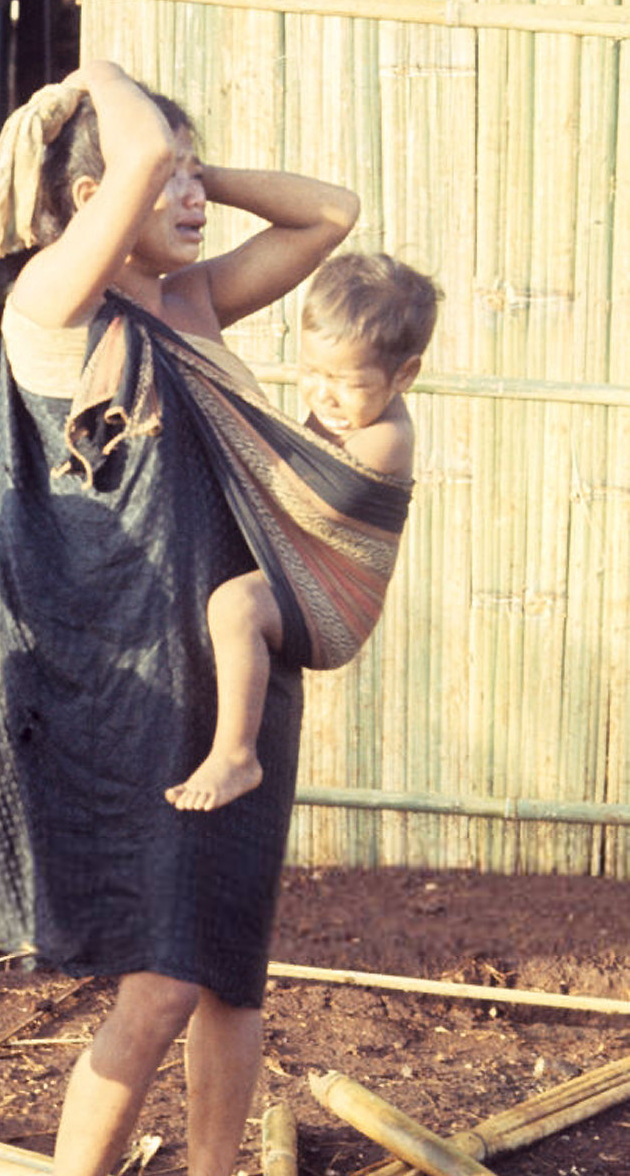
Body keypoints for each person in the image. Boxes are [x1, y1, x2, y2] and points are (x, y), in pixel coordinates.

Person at [0, 59, 360, 1176]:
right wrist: (99, 80)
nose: (192, 194)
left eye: (199, 175)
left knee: (228, 966)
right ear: (91, 195)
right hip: (125, 690)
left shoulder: (184, 308)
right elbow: (130, 164)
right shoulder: (51, 309)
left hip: (234, 683)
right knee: (158, 973)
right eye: (171, 178)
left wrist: (195, 168)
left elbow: (327, 213)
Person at [166, 251, 441, 812]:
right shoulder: (351, 411)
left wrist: (220, 403)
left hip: (334, 608)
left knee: (235, 607)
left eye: (347, 382)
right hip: (295, 572)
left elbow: (280, 475)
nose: (324, 395)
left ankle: (236, 755)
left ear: (404, 376)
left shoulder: (385, 439)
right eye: (311, 372)